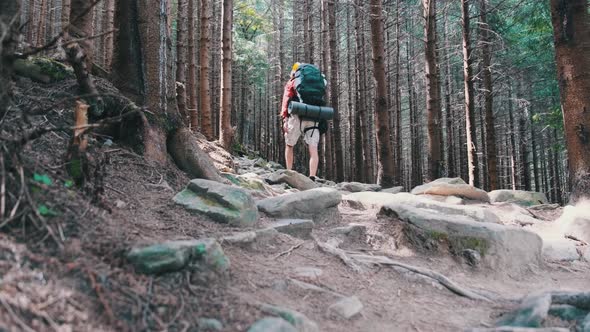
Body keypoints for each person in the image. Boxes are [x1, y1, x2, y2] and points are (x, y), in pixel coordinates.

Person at [281, 62, 323, 180]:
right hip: (314, 117)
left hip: (297, 116)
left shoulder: (292, 82)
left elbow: (286, 99)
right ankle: (312, 176)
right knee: (313, 149)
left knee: (289, 145)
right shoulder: (317, 82)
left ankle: (289, 172)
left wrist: (284, 118)